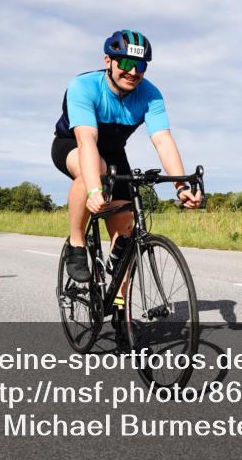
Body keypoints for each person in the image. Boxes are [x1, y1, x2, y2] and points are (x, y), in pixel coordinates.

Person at [52, 29, 202, 297]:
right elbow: (87, 141)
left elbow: (163, 140)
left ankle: (121, 309)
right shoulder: (83, 86)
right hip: (72, 144)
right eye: (125, 63)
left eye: (140, 66)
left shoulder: (150, 94)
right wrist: (94, 190)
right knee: (93, 171)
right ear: (108, 61)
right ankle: (77, 242)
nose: (133, 72)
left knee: (125, 231)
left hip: (113, 153)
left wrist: (181, 186)